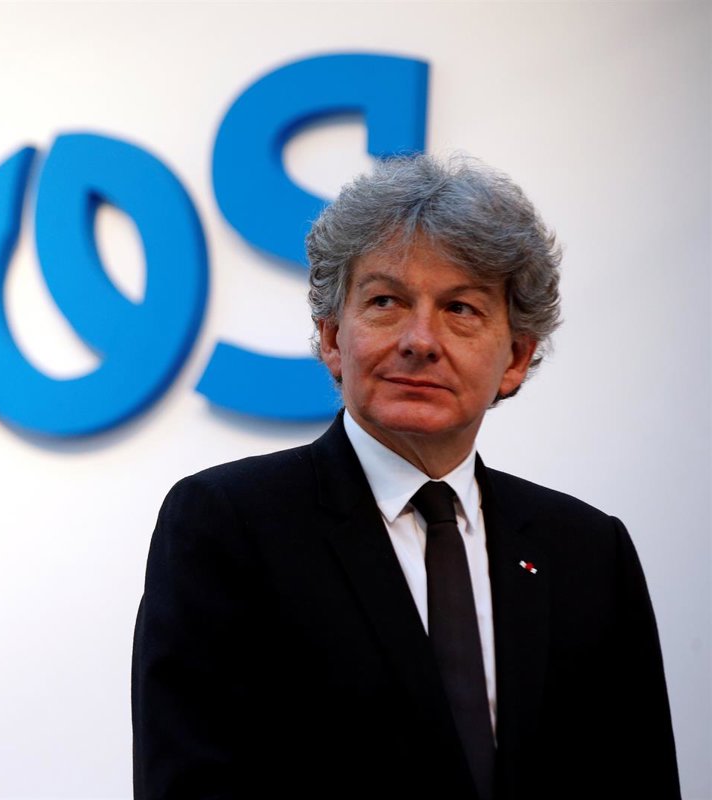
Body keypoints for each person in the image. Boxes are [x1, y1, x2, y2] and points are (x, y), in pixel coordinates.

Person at [130, 155, 680, 799]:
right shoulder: (228, 524)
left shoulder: (588, 550)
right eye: (386, 301)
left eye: (461, 308)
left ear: (516, 358)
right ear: (332, 338)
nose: (421, 340)